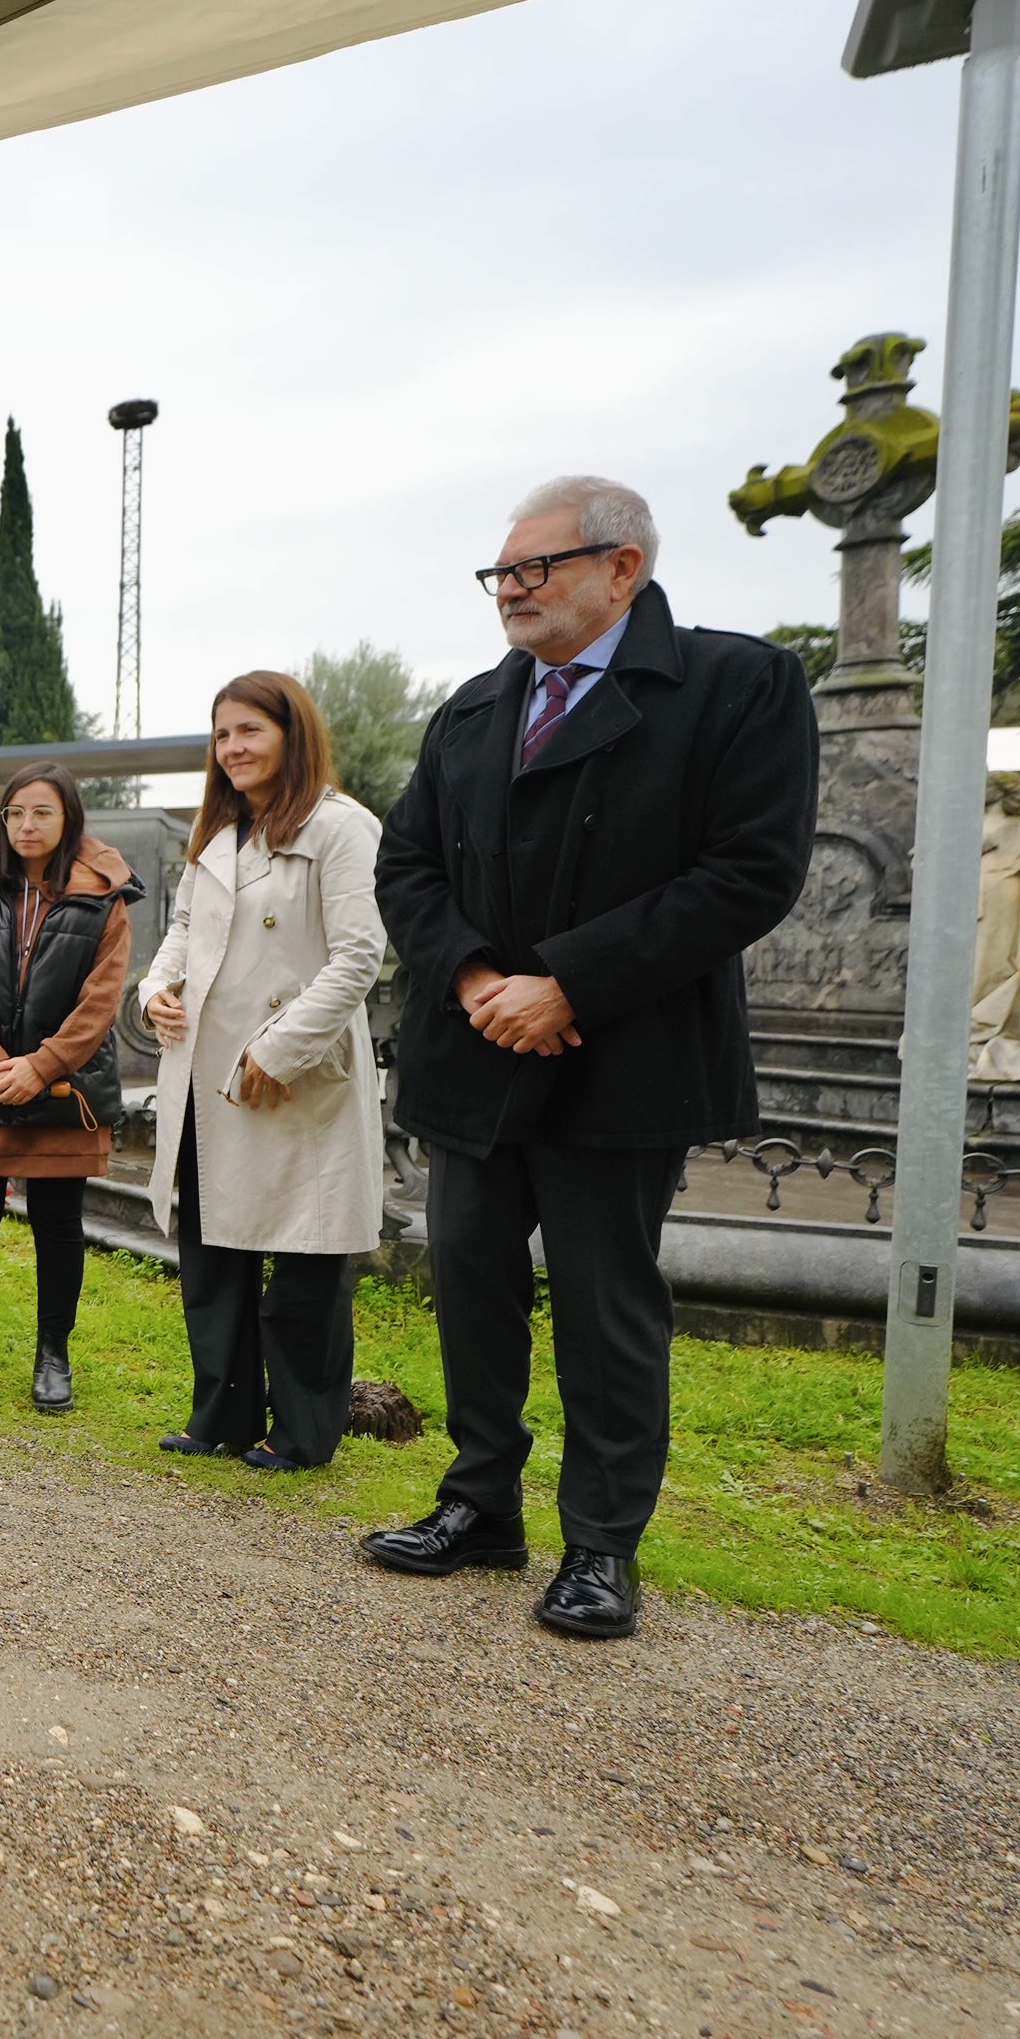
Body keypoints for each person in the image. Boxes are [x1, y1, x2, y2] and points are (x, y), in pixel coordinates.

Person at [367, 475, 816, 1640]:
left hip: (620, 1052)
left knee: (604, 1302)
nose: (508, 590)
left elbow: (748, 870)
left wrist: (569, 983)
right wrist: (473, 977)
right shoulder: (473, 708)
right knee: (468, 1277)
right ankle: (478, 1502)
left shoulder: (733, 685)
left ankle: (601, 1543)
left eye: (535, 568)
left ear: (623, 567)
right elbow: (405, 864)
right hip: (475, 1043)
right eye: (499, 572)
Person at [140, 674, 387, 1467]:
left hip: (296, 1071)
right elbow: (182, 929)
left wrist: (280, 1049)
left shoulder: (341, 827)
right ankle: (222, 1414)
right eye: (222, 735)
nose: (233, 748)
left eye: (250, 730)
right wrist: (154, 990)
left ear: (292, 733)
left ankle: (304, 1430)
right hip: (208, 1068)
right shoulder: (217, 832)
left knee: (308, 1256)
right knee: (214, 1255)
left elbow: (359, 955)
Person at [0, 762, 141, 1411]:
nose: (26, 825)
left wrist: (41, 1067)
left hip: (63, 1089)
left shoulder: (103, 897)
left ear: (68, 818)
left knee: (57, 1225)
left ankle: (53, 1357)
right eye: (15, 812)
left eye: (42, 811)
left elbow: (101, 1001)